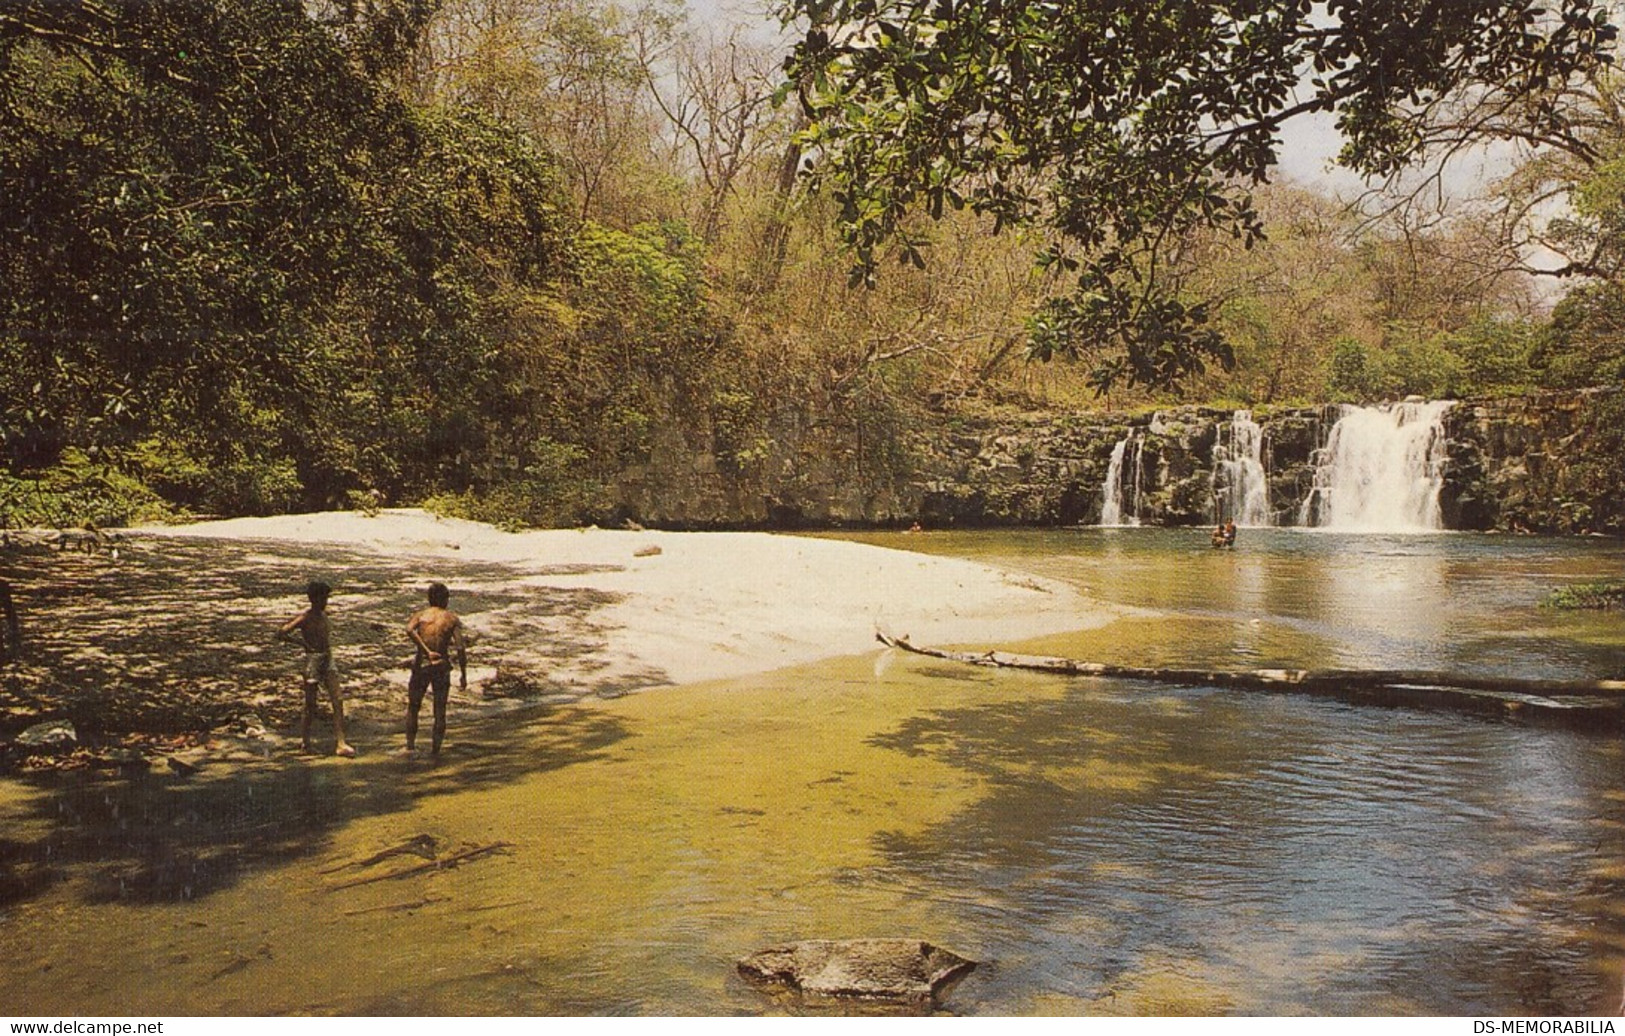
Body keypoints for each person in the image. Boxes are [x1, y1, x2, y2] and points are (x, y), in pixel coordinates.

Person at [276, 580, 356, 757]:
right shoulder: (306, 617)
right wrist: (301, 643)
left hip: (328, 658)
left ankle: (341, 742)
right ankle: (305, 742)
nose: (326, 601)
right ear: (314, 599)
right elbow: (281, 632)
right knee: (310, 705)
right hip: (313, 660)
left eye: (326, 598)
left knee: (338, 699)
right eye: (323, 598)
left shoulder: (323, 615)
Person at [404, 582, 467, 757]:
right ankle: (435, 752)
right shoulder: (451, 618)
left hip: (421, 664)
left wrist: (425, 651)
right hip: (441, 666)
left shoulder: (421, 615)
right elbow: (460, 648)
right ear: (444, 599)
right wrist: (463, 674)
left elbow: (409, 630)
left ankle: (410, 747)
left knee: (413, 706)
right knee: (439, 709)